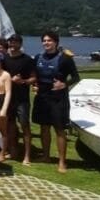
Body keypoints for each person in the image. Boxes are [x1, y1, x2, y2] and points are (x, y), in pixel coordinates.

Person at [32, 31, 80, 173]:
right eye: (44, 40)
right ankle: (46, 156)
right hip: (42, 97)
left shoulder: (65, 58)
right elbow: (34, 75)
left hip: (58, 98)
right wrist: (33, 84)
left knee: (59, 129)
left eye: (49, 40)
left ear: (56, 42)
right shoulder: (38, 57)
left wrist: (64, 84)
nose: (46, 43)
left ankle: (62, 162)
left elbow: (76, 77)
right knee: (44, 127)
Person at [3, 33, 36, 165]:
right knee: (10, 126)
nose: (12, 45)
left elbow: (34, 78)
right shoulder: (4, 59)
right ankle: (13, 150)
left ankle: (27, 155)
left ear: (20, 44)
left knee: (24, 125)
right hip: (8, 98)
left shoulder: (27, 59)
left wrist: (22, 81)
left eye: (15, 42)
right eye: (10, 42)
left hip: (22, 99)